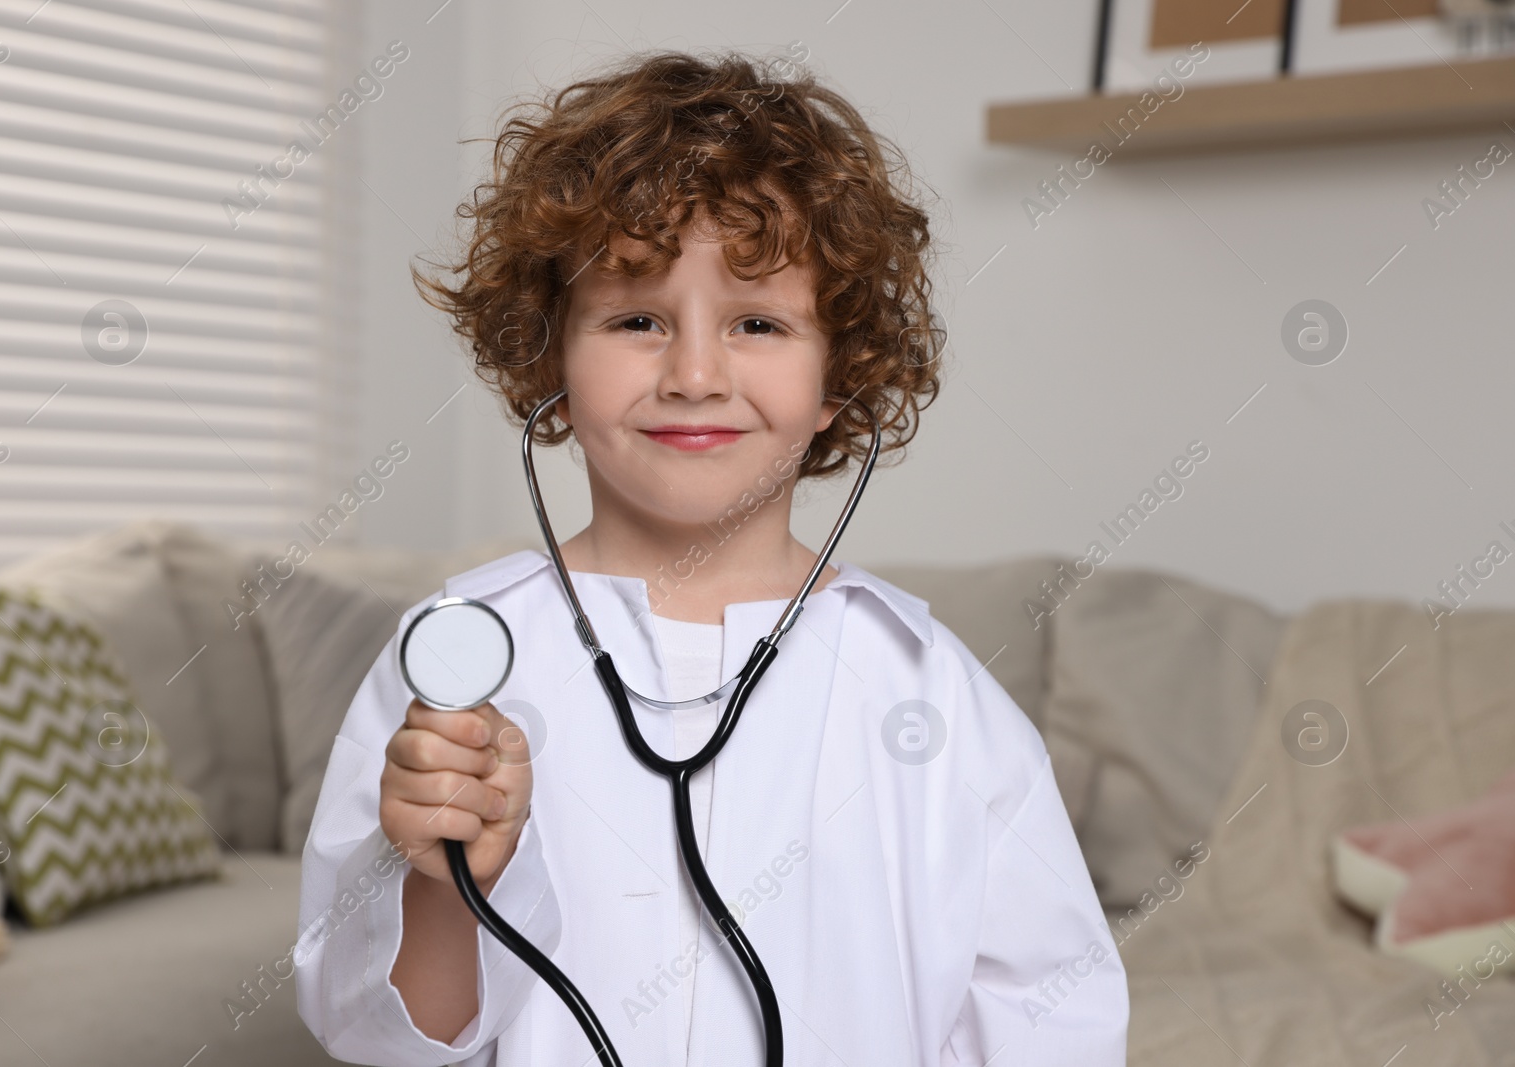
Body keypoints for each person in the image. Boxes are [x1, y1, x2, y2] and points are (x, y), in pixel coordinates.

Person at [293, 48, 1127, 1066]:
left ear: (839, 378)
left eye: (759, 321)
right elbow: (379, 1031)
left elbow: (1052, 1016)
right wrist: (440, 881)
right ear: (550, 354)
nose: (694, 373)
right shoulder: (459, 662)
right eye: (636, 318)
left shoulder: (930, 691)